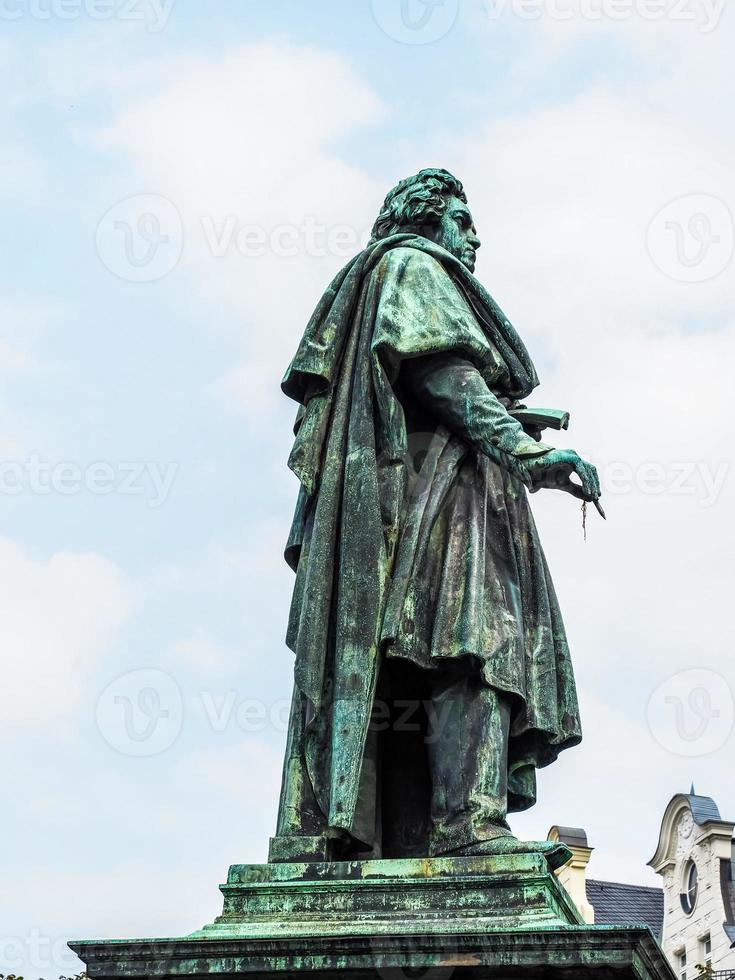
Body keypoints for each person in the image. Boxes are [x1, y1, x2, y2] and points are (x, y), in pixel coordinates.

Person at [271, 168, 601, 867]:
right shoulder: (410, 263)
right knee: (475, 640)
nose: (473, 234)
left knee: (466, 643)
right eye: (461, 218)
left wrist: (512, 419)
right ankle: (467, 825)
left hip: (450, 487)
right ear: (424, 219)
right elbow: (437, 374)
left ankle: (455, 823)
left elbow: (440, 381)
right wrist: (523, 450)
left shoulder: (406, 273)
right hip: (438, 501)